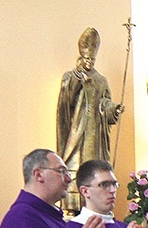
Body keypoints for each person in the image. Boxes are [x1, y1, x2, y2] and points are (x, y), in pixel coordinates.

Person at [57, 27, 124, 213]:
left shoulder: (101, 80)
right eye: (87, 59)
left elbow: (105, 102)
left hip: (95, 135)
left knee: (95, 165)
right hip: (77, 132)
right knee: (75, 167)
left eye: (92, 59)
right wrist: (77, 82)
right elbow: (65, 103)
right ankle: (73, 209)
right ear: (81, 58)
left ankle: (96, 207)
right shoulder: (70, 77)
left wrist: (113, 109)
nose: (89, 62)